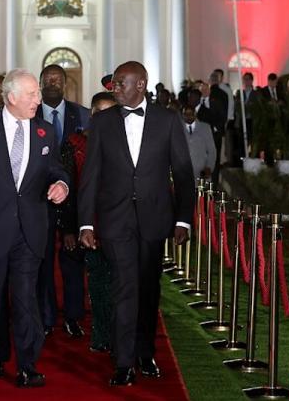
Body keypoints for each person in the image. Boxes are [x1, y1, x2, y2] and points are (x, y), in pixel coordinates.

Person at [77, 61, 194, 387]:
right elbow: (91, 175)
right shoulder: (102, 122)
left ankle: (145, 352)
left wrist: (184, 218)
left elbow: (183, 174)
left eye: (119, 83)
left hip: (155, 219)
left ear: (140, 84)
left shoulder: (167, 120)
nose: (114, 88)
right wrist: (86, 223)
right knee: (124, 286)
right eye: (114, 84)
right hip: (115, 220)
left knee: (148, 288)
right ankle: (124, 361)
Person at [0, 68, 70, 389]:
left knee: (25, 299)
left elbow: (57, 170)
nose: (38, 99)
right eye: (32, 94)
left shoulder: (45, 132)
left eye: (37, 93)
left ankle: (27, 365)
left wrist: (61, 184)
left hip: (31, 231)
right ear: (12, 97)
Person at [35, 64, 90, 339]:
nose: (53, 83)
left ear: (65, 83)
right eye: (48, 79)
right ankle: (45, 317)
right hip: (39, 200)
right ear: (41, 83)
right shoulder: (30, 115)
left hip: (74, 199)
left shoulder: (82, 115)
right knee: (42, 262)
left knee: (72, 262)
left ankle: (73, 317)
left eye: (58, 79)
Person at [66, 91, 116, 353]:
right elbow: (72, 190)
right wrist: (74, 227)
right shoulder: (76, 144)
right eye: (99, 113)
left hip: (120, 227)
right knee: (97, 283)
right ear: (91, 114)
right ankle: (101, 333)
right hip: (90, 226)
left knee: (120, 285)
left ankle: (120, 334)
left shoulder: (125, 143)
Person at [198, 77, 228, 183]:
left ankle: (214, 183)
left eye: (206, 89)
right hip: (200, 138)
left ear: (209, 90)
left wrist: (215, 129)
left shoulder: (216, 102)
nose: (204, 92)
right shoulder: (197, 103)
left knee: (214, 159)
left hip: (214, 135)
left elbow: (223, 117)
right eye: (202, 90)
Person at [183, 93, 216, 178]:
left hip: (202, 171)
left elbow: (212, 150)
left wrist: (209, 167)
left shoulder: (205, 127)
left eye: (191, 114)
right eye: (186, 114)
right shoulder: (177, 129)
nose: (188, 117)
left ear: (195, 114)